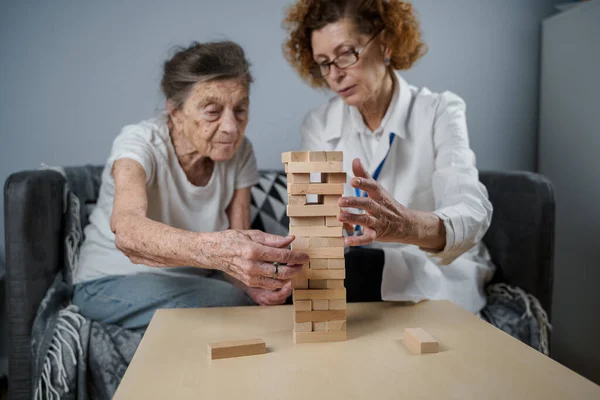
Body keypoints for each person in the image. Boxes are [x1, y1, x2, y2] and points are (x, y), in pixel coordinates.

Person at [72, 41, 309, 329]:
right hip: (111, 281)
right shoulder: (137, 144)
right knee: (230, 305)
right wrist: (219, 251)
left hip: (196, 278)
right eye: (212, 111)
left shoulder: (240, 151)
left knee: (265, 305)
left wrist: (253, 285)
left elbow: (240, 239)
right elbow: (127, 230)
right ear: (175, 112)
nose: (231, 127)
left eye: (240, 110)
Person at [282, 0, 496, 314]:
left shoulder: (439, 111)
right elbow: (315, 221)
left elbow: (473, 212)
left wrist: (405, 226)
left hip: (433, 268)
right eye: (324, 63)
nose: (335, 75)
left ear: (385, 45)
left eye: (346, 54)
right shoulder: (319, 124)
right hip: (360, 270)